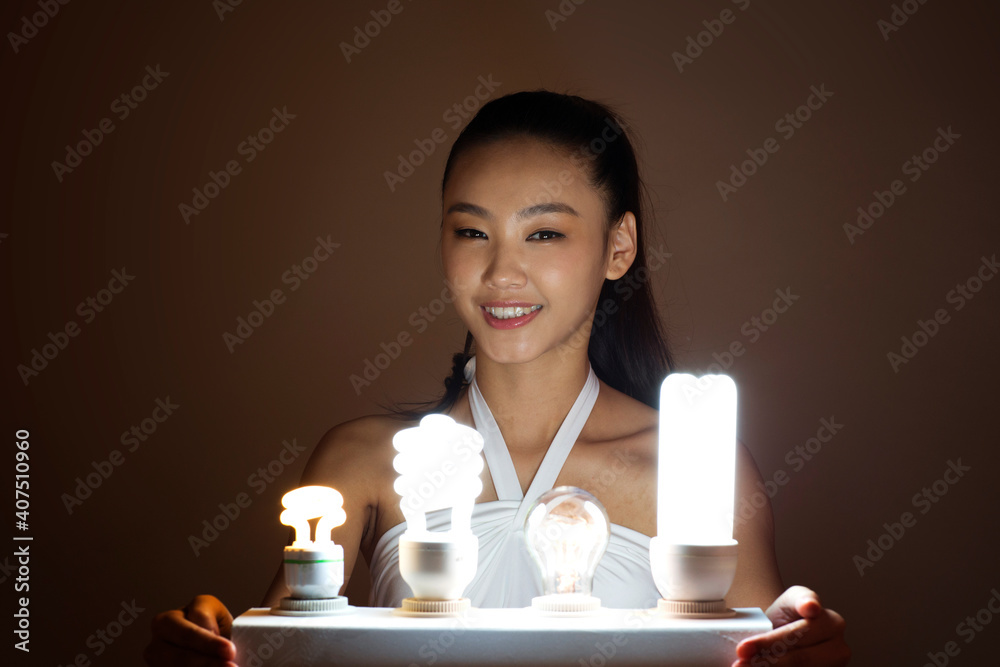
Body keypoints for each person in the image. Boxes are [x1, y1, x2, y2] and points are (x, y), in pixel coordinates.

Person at [144, 90, 850, 666]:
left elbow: (765, 649)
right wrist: (213, 645)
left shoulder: (698, 466)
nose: (501, 273)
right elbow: (277, 649)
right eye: (472, 232)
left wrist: (804, 645)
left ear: (619, 246)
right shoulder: (362, 462)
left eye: (543, 233)